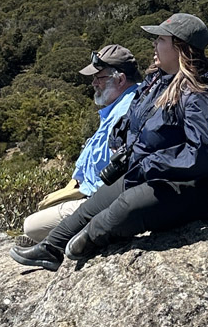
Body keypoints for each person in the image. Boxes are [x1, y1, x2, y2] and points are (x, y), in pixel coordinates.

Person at [11, 13, 208, 271]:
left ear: (179, 47)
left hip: (192, 183)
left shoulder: (201, 93)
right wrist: (124, 140)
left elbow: (204, 154)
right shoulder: (160, 81)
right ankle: (50, 249)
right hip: (153, 171)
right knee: (93, 204)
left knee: (122, 209)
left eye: (160, 40)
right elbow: (137, 119)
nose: (153, 45)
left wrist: (149, 163)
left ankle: (86, 242)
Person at [18, 45, 140, 245]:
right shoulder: (117, 107)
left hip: (103, 199)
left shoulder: (126, 112)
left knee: (31, 226)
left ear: (120, 79)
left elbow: (122, 169)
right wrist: (72, 186)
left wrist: (84, 194)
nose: (93, 83)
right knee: (41, 213)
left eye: (98, 78)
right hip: (92, 192)